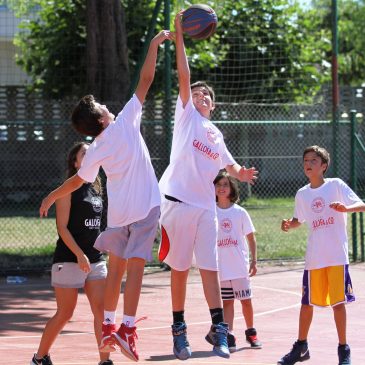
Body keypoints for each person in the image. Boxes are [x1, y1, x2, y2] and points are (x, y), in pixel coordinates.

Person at [40, 30, 174, 362]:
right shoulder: (126, 120)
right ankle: (127, 328)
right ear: (102, 117)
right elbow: (146, 78)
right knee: (137, 268)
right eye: (102, 106)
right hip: (144, 208)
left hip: (117, 216)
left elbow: (75, 183)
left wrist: (50, 196)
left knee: (115, 271)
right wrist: (155, 44)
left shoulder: (97, 147)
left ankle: (111, 325)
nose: (107, 106)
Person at [158, 10, 258, 361]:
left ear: (213, 106)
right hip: (177, 202)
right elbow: (184, 76)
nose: (200, 97)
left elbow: (228, 164)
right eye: (195, 94)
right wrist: (180, 37)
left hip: (205, 207)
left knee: (211, 269)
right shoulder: (186, 118)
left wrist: (240, 173)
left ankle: (220, 333)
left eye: (205, 97)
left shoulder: (215, 134)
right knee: (181, 270)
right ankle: (179, 331)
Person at [278, 145, 365, 365]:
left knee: (338, 303)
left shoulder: (336, 185)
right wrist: (290, 224)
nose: (308, 163)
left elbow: (361, 205)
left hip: (336, 256)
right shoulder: (302, 194)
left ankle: (343, 349)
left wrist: (346, 209)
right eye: (306, 160)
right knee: (306, 304)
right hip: (314, 258)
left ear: (323, 166)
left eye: (314, 160)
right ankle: (301, 346)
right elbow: (300, 219)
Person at [31, 142, 112, 365]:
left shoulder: (98, 187)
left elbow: (98, 225)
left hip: (95, 259)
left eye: (91, 152)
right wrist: (79, 255)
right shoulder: (69, 188)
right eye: (84, 153)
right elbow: (62, 228)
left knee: (101, 311)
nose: (89, 155)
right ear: (75, 163)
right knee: (65, 313)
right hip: (69, 258)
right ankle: (40, 358)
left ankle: (105, 361)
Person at [211, 170, 262, 353]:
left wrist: (254, 261)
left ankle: (251, 332)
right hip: (221, 267)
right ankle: (229, 334)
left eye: (225, 184)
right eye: (218, 184)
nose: (222, 188)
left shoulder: (239, 212)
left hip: (239, 267)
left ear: (232, 188)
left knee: (246, 301)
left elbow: (251, 238)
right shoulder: (210, 211)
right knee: (228, 302)